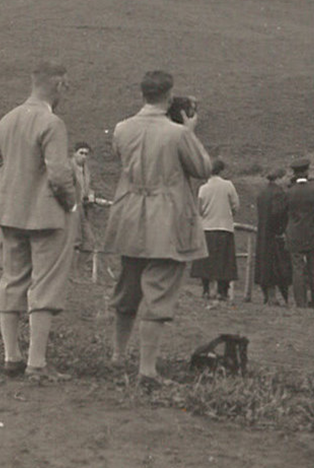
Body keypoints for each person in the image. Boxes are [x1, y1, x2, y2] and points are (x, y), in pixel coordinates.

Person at [104, 69, 212, 388]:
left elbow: (122, 156)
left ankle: (118, 355)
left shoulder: (122, 128)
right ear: (169, 96)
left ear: (143, 94)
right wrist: (190, 131)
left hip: (129, 214)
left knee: (128, 287)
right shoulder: (177, 134)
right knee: (159, 291)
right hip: (166, 218)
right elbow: (202, 168)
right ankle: (147, 369)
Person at [0, 60, 77, 381]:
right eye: (65, 85)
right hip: (45, 216)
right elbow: (59, 174)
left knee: (11, 280)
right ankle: (36, 363)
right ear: (58, 85)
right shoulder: (52, 123)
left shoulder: (7, 119)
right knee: (44, 285)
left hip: (9, 212)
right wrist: (71, 203)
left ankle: (11, 356)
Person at [191, 159, 239, 301]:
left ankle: (206, 290)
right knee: (224, 260)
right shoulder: (228, 185)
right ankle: (222, 291)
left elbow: (199, 209)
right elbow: (235, 205)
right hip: (224, 227)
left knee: (207, 260)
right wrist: (227, 214)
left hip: (207, 228)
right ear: (222, 170)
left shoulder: (203, 188)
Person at [284, 159, 314, 309]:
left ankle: (300, 303)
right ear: (307, 172)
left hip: (295, 235)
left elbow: (285, 211)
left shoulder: (289, 192)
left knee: (297, 269)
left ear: (294, 173)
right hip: (313, 234)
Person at [70, 141, 109, 280]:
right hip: (70, 208)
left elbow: (87, 188)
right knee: (74, 240)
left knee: (89, 242)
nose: (84, 156)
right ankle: (70, 273)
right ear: (74, 153)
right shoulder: (68, 167)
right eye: (81, 153)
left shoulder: (86, 169)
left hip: (82, 207)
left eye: (86, 154)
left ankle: (78, 271)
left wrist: (91, 195)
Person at [253, 168, 291, 305]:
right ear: (279, 178)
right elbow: (278, 214)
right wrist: (281, 230)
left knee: (265, 265)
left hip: (263, 234)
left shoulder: (262, 193)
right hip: (275, 235)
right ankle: (278, 298)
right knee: (279, 267)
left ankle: (268, 296)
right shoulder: (279, 194)